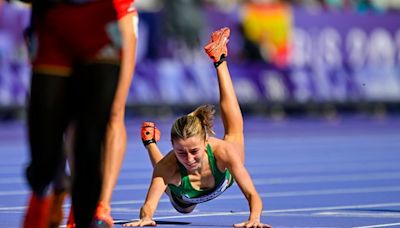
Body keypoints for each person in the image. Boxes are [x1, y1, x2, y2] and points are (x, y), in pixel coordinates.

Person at [123, 27, 271, 228]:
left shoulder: (222, 152)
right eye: (181, 153)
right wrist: (146, 217)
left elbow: (253, 195)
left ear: (205, 142)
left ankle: (220, 60)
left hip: (221, 174)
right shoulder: (168, 167)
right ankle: (150, 142)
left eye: (194, 151)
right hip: (183, 196)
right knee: (179, 201)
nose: (189, 159)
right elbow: (148, 206)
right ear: (172, 148)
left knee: (235, 133)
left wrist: (254, 220)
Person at [23, 1, 137, 227]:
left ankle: (96, 209)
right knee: (46, 143)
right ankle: (50, 188)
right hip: (53, 29)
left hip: (105, 25)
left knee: (97, 132)